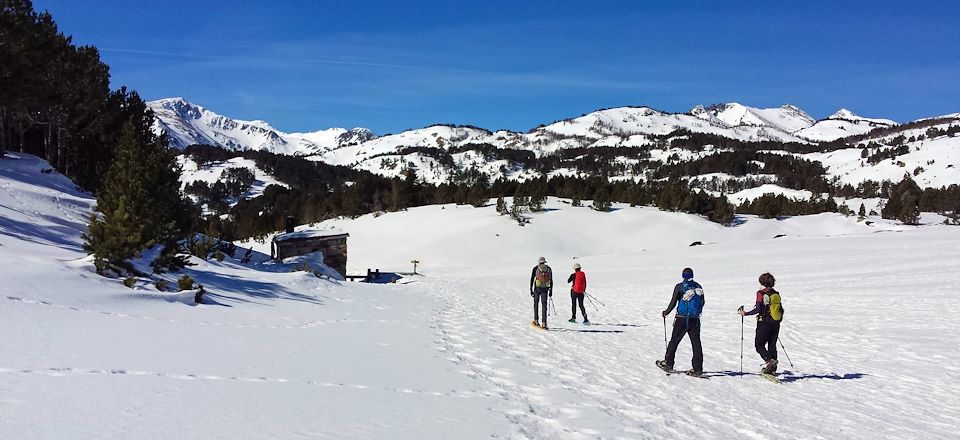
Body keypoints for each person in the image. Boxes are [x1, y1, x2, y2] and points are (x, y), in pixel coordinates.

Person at [656, 268, 705, 376]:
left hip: (682, 318)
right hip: (695, 319)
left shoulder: (680, 286)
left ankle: (668, 364)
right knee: (696, 343)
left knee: (674, 341)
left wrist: (666, 312)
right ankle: (698, 369)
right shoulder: (698, 286)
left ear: (683, 275)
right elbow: (703, 302)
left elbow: (673, 302)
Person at [739, 272, 784, 374]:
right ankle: (772, 369)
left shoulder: (761, 293)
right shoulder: (776, 293)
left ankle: (769, 361)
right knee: (772, 345)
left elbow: (758, 309)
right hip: (775, 322)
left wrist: (745, 313)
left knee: (759, 345)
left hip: (764, 322)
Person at [529, 257, 553, 329]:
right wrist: (551, 291)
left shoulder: (535, 268)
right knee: (544, 306)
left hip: (537, 288)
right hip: (545, 289)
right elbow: (551, 280)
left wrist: (531, 290)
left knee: (536, 304)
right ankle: (544, 324)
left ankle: (536, 321)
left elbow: (532, 279)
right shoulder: (549, 269)